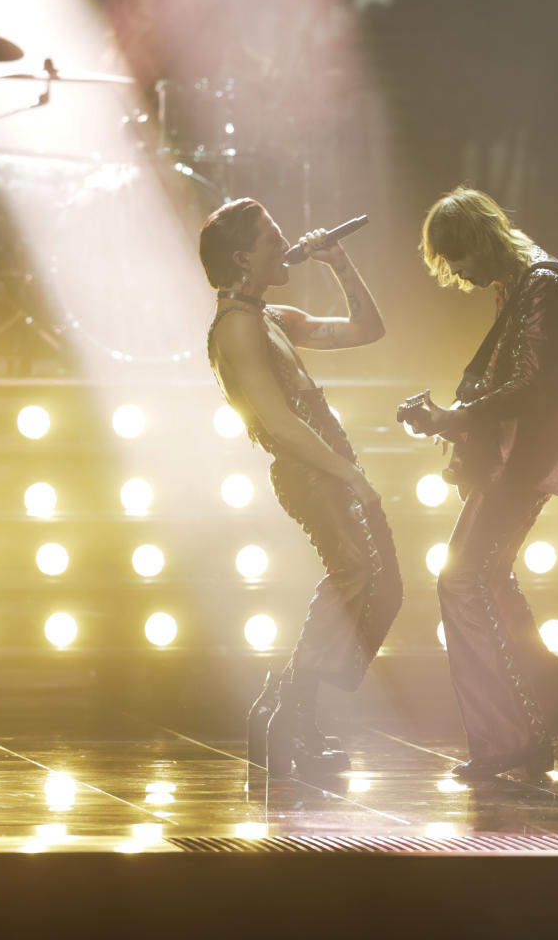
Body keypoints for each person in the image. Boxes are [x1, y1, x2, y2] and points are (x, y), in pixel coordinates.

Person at [200, 198, 401, 778]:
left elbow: (368, 329)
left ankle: (292, 708)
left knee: (381, 581)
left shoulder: (268, 317)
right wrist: (349, 475)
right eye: (272, 241)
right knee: (356, 572)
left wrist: (337, 262)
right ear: (242, 258)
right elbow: (279, 422)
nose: (284, 247)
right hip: (310, 469)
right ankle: (289, 713)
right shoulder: (237, 328)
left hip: (331, 460)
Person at [400, 187, 558, 779]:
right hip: (513, 459)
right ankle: (546, 718)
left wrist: (455, 418)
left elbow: (532, 384)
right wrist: (453, 419)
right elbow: (511, 378)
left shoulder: (543, 285)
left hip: (526, 461)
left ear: (479, 240)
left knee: (464, 581)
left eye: (457, 257)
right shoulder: (522, 284)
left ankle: (515, 736)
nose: (456, 272)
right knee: (481, 579)